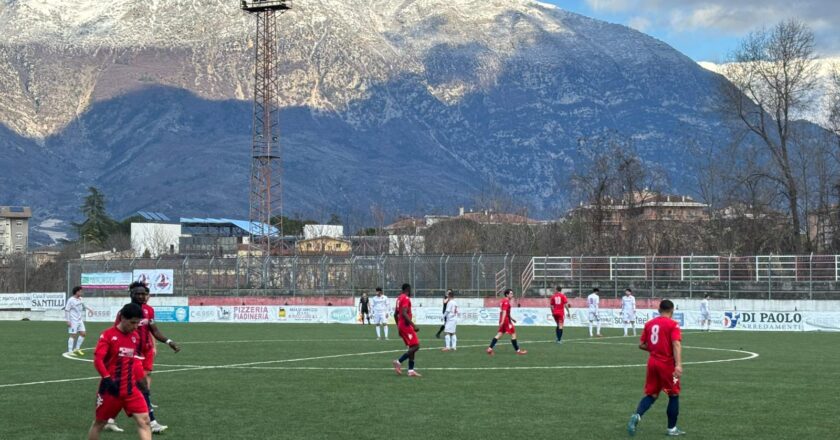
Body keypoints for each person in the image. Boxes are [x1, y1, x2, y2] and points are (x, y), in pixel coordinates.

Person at [109, 282, 181, 434]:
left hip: (144, 353)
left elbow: (154, 330)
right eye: (138, 293)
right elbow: (117, 332)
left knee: (132, 388)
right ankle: (153, 422)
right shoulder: (125, 312)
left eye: (144, 294)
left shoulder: (149, 310)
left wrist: (168, 341)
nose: (142, 296)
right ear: (132, 294)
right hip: (130, 354)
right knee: (141, 387)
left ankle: (109, 419)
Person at [87, 303, 151, 440]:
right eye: (132, 322)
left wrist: (141, 380)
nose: (135, 326)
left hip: (130, 389)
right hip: (111, 389)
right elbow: (98, 360)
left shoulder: (135, 337)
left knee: (144, 420)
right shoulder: (108, 335)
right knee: (100, 423)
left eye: (137, 323)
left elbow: (133, 361)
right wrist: (107, 379)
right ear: (122, 318)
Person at [626, 299, 685, 437]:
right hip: (668, 365)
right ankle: (672, 428)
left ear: (659, 310)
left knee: (651, 394)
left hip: (652, 363)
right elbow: (676, 344)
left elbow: (642, 344)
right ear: (672, 310)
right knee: (673, 394)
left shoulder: (649, 324)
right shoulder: (673, 324)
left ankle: (637, 415)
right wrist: (678, 364)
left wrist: (655, 349)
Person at [392, 283, 421, 377]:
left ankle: (411, 370)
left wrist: (398, 328)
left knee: (412, 347)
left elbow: (395, 314)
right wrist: (414, 325)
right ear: (408, 289)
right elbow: (404, 313)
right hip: (406, 325)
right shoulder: (406, 298)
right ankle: (398, 361)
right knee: (416, 346)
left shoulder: (399, 298)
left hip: (401, 325)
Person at [486, 289, 527, 355]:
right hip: (506, 320)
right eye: (511, 293)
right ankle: (518, 351)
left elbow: (506, 312)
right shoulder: (506, 302)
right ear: (507, 294)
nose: (512, 295)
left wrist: (512, 319)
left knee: (499, 334)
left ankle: (489, 349)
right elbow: (504, 312)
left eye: (512, 293)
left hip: (504, 319)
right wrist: (503, 321)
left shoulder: (503, 301)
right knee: (513, 334)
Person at [65, 286, 91, 355]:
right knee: (73, 335)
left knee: (83, 334)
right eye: (80, 291)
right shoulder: (71, 300)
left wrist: (90, 309)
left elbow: (84, 305)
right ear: (77, 292)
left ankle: (77, 348)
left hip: (79, 320)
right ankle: (70, 351)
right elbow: (67, 310)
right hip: (73, 320)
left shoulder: (80, 299)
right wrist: (68, 320)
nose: (81, 292)